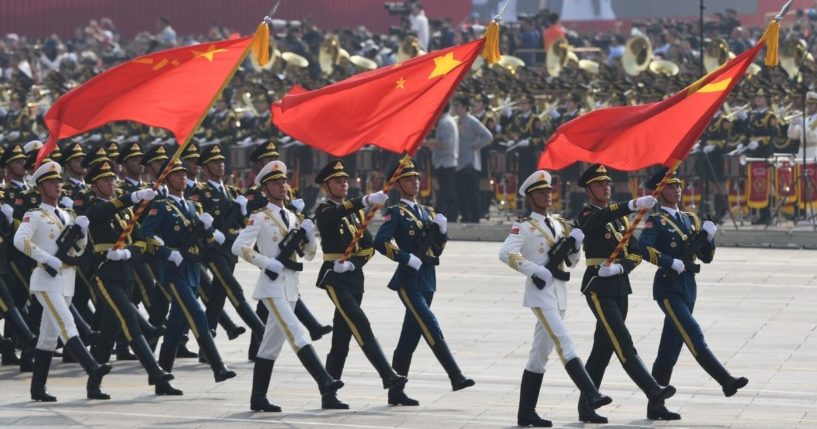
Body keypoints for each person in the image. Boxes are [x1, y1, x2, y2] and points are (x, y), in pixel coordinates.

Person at [499, 170, 612, 427]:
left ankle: (526, 412)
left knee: (539, 355)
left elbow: (571, 262)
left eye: (549, 191)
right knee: (565, 342)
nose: (547, 195)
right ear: (531, 197)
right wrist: (533, 269)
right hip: (540, 294)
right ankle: (591, 393)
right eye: (541, 192)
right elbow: (506, 253)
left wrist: (575, 245)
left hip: (559, 292)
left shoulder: (561, 224)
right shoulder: (525, 226)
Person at [232, 160, 343, 412]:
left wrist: (308, 234)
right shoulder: (259, 217)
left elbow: (310, 254)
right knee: (297, 332)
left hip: (291, 286)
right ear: (265, 189)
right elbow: (238, 247)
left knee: (270, 345)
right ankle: (324, 381)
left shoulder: (295, 217)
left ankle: (258, 397)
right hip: (271, 287)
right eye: (275, 183)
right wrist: (266, 262)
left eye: (283, 181)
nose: (282, 186)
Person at [638, 168, 748, 420]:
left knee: (670, 349)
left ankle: (655, 405)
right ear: (659, 191)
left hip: (689, 287)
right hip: (668, 287)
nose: (676, 190)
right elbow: (642, 248)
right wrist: (668, 262)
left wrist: (709, 238)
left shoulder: (691, 219)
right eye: (670, 186)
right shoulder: (656, 220)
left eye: (677, 185)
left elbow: (706, 258)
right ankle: (725, 380)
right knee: (693, 333)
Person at [574, 164, 675, 424]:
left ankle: (586, 405)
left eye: (608, 184)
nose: (606, 187)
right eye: (599, 184)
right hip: (598, 285)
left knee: (603, 349)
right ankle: (653, 390)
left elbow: (636, 250)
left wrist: (622, 266)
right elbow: (597, 221)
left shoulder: (621, 219)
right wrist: (631, 204)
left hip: (619, 285)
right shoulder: (587, 213)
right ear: (588, 190)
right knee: (622, 340)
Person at [374, 157, 475, 406]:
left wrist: (441, 231)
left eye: (417, 177)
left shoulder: (428, 212)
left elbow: (437, 250)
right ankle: (456, 375)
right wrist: (404, 257)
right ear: (398, 184)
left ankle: (396, 391)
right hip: (408, 280)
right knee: (429, 322)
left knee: (410, 337)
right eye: (409, 179)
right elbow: (380, 242)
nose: (416, 182)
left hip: (428, 278)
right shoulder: (395, 212)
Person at [313, 159, 408, 409]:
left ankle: (328, 393)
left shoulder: (355, 214)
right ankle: (387, 374)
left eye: (345, 180)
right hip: (334, 277)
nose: (343, 184)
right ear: (326, 186)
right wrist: (364, 201)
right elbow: (333, 215)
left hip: (353, 277)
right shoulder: (324, 210)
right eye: (337, 181)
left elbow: (368, 246)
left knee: (341, 339)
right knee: (360, 322)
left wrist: (354, 263)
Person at [14, 161, 112, 401]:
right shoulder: (34, 215)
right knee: (67, 324)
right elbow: (20, 241)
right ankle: (92, 367)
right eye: (51, 182)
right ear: (40, 188)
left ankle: (38, 389)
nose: (57, 186)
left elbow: (79, 250)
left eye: (59, 181)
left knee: (48, 337)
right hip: (45, 280)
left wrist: (81, 234)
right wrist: (47, 258)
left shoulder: (68, 215)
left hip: (67, 278)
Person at [140, 159, 237, 393]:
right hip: (173, 272)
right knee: (197, 313)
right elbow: (144, 236)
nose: (182, 178)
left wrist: (210, 231)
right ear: (166, 179)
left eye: (184, 174)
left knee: (175, 327)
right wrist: (166, 252)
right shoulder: (160, 207)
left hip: (192, 270)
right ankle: (218, 365)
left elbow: (205, 240)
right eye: (176, 175)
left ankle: (161, 381)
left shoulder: (194, 207)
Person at [83, 159, 176, 392]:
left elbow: (141, 241)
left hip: (126, 273)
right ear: (94, 186)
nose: (111, 182)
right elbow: (103, 211)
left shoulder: (125, 215)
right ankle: (155, 372)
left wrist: (127, 254)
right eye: (105, 180)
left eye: (113, 179)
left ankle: (93, 383)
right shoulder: (93, 208)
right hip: (105, 275)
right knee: (129, 319)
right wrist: (132, 198)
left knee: (109, 332)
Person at [453, 96, 493, 223]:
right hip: (458, 162)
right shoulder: (455, 121)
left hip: (470, 163)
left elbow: (488, 136)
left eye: (458, 105)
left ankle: (475, 217)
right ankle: (464, 216)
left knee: (472, 192)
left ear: (465, 107)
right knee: (461, 192)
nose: (455, 108)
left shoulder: (472, 121)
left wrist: (475, 146)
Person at [425, 104, 459, 217]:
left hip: (445, 162)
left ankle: (451, 214)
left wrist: (427, 143)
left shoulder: (445, 123)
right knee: (446, 191)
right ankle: (447, 214)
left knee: (447, 191)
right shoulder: (449, 120)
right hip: (446, 161)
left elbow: (445, 144)